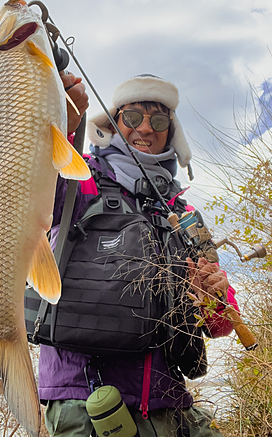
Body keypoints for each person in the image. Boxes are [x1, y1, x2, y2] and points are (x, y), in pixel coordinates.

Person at [39, 73, 239, 437]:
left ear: (170, 132)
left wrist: (215, 301)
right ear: (115, 124)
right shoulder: (80, 176)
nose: (144, 129)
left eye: (158, 121)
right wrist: (59, 123)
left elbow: (222, 324)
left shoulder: (187, 214)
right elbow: (35, 183)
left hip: (171, 404)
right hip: (88, 402)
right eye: (132, 118)